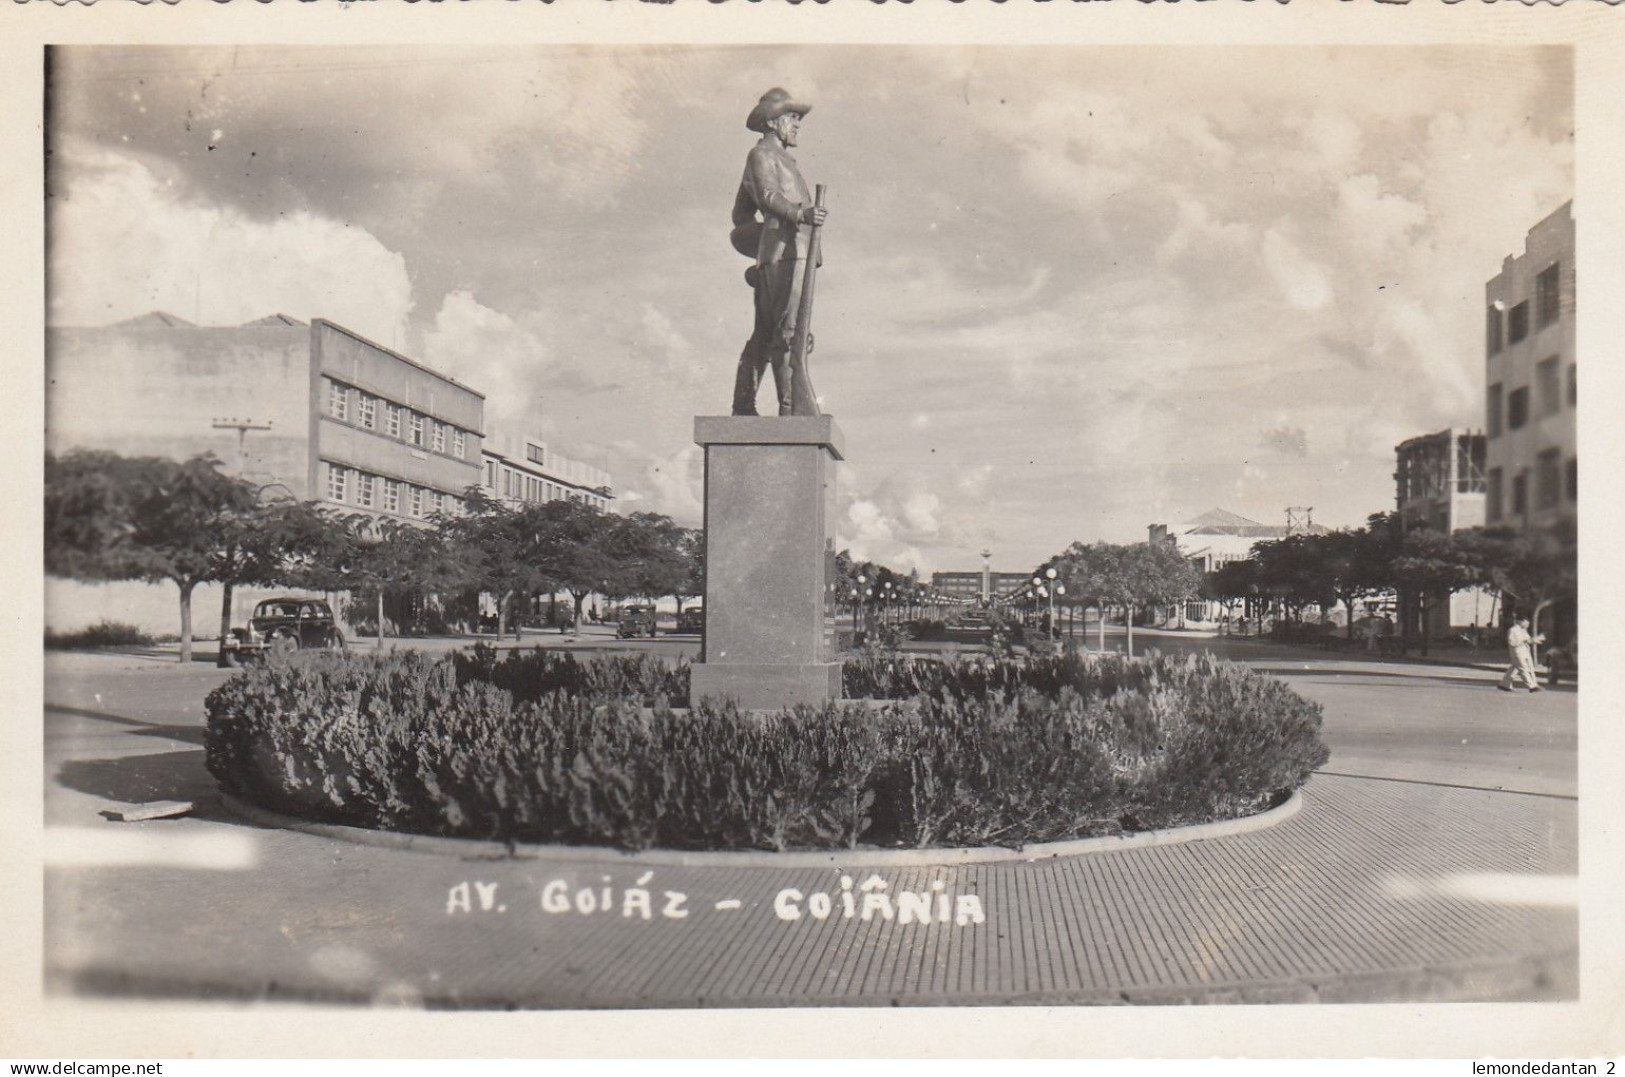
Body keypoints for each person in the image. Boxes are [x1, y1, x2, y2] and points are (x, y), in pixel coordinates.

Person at [730, 87, 829, 417]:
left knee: (783, 332)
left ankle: (752, 404)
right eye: (792, 117)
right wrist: (799, 215)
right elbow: (767, 197)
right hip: (786, 254)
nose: (798, 124)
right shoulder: (762, 156)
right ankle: (789, 410)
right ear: (773, 122)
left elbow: (740, 214)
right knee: (784, 333)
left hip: (792, 252)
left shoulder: (782, 159)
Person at [1498, 614, 1545, 693]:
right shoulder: (1513, 630)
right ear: (1520, 621)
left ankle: (1504, 684)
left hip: (1525, 652)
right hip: (1517, 652)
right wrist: (1524, 641)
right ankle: (1532, 686)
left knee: (1514, 668)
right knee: (1523, 668)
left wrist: (1537, 639)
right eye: (1526, 622)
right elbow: (1511, 642)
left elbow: (1528, 640)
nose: (1527, 624)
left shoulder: (1523, 630)